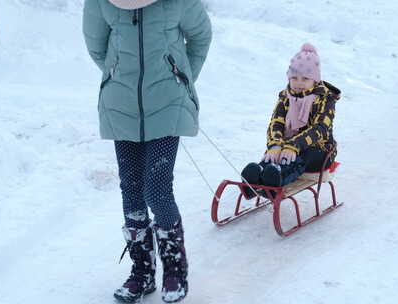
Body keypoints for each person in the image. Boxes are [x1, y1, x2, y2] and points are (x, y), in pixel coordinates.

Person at [82, 0, 212, 302]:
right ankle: (142, 272)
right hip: (121, 104)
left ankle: (174, 269)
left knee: (156, 188)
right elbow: (97, 47)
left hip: (168, 103)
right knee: (132, 190)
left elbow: (201, 36)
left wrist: (180, 76)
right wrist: (119, 75)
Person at [241, 43, 341, 197]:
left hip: (319, 151)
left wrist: (294, 145)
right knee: (276, 154)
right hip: (288, 145)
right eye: (294, 78)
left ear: (315, 80)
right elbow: (276, 123)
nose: (299, 83)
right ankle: (257, 177)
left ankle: (277, 179)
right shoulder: (286, 97)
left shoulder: (325, 100)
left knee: (299, 156)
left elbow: (320, 129)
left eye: (305, 78)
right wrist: (274, 145)